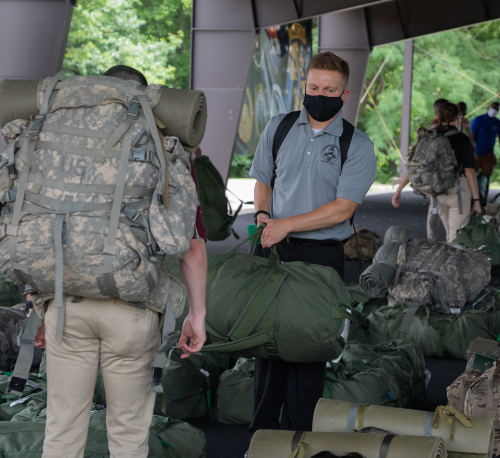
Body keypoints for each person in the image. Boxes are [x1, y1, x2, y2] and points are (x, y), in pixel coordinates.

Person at [33, 65, 208, 458]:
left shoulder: (60, 144)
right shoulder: (162, 149)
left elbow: (38, 229)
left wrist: (39, 304)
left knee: (62, 430)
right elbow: (188, 246)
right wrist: (197, 314)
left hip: (66, 305)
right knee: (128, 433)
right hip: (131, 308)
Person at [248, 51, 376, 442]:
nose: (320, 95)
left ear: (344, 94)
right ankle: (262, 438)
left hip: (320, 258)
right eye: (314, 87)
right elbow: (263, 180)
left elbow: (343, 208)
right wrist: (263, 214)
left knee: (309, 350)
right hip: (272, 249)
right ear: (305, 86)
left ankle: (300, 439)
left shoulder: (357, 144)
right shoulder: (279, 126)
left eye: (330, 90)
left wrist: (287, 224)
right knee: (266, 346)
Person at [392, 99, 449, 240]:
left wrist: (399, 190)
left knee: (434, 215)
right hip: (446, 183)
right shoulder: (447, 131)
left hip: (434, 184)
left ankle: (432, 245)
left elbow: (415, 165)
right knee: (449, 224)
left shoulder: (429, 132)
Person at [435, 102, 481, 242]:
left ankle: (446, 255)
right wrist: (477, 200)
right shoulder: (462, 139)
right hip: (458, 190)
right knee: (456, 237)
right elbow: (469, 171)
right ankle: (452, 256)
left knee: (450, 233)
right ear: (457, 117)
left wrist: (399, 190)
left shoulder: (432, 137)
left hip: (438, 191)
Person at [471, 102, 500, 204]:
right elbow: (472, 136)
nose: (494, 111)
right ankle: (471, 200)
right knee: (471, 176)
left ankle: (482, 201)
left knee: (485, 178)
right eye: (493, 108)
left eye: (497, 109)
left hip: (488, 154)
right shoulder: (478, 120)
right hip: (476, 154)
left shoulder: (497, 123)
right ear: (489, 108)